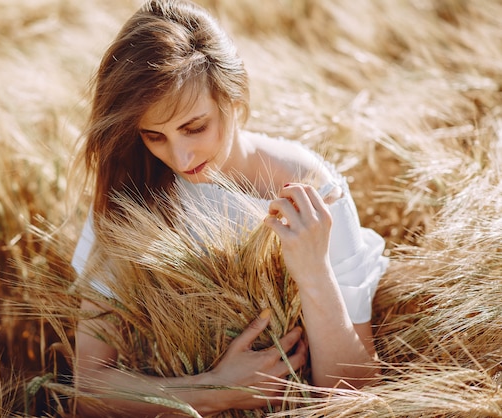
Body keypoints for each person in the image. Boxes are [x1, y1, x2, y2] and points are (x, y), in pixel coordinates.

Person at [68, 0, 388, 416]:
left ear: (234, 95)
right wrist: (216, 390)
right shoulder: (132, 192)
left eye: (194, 127)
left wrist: (314, 273)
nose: (181, 159)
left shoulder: (308, 187)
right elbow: (89, 391)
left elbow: (353, 393)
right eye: (154, 135)